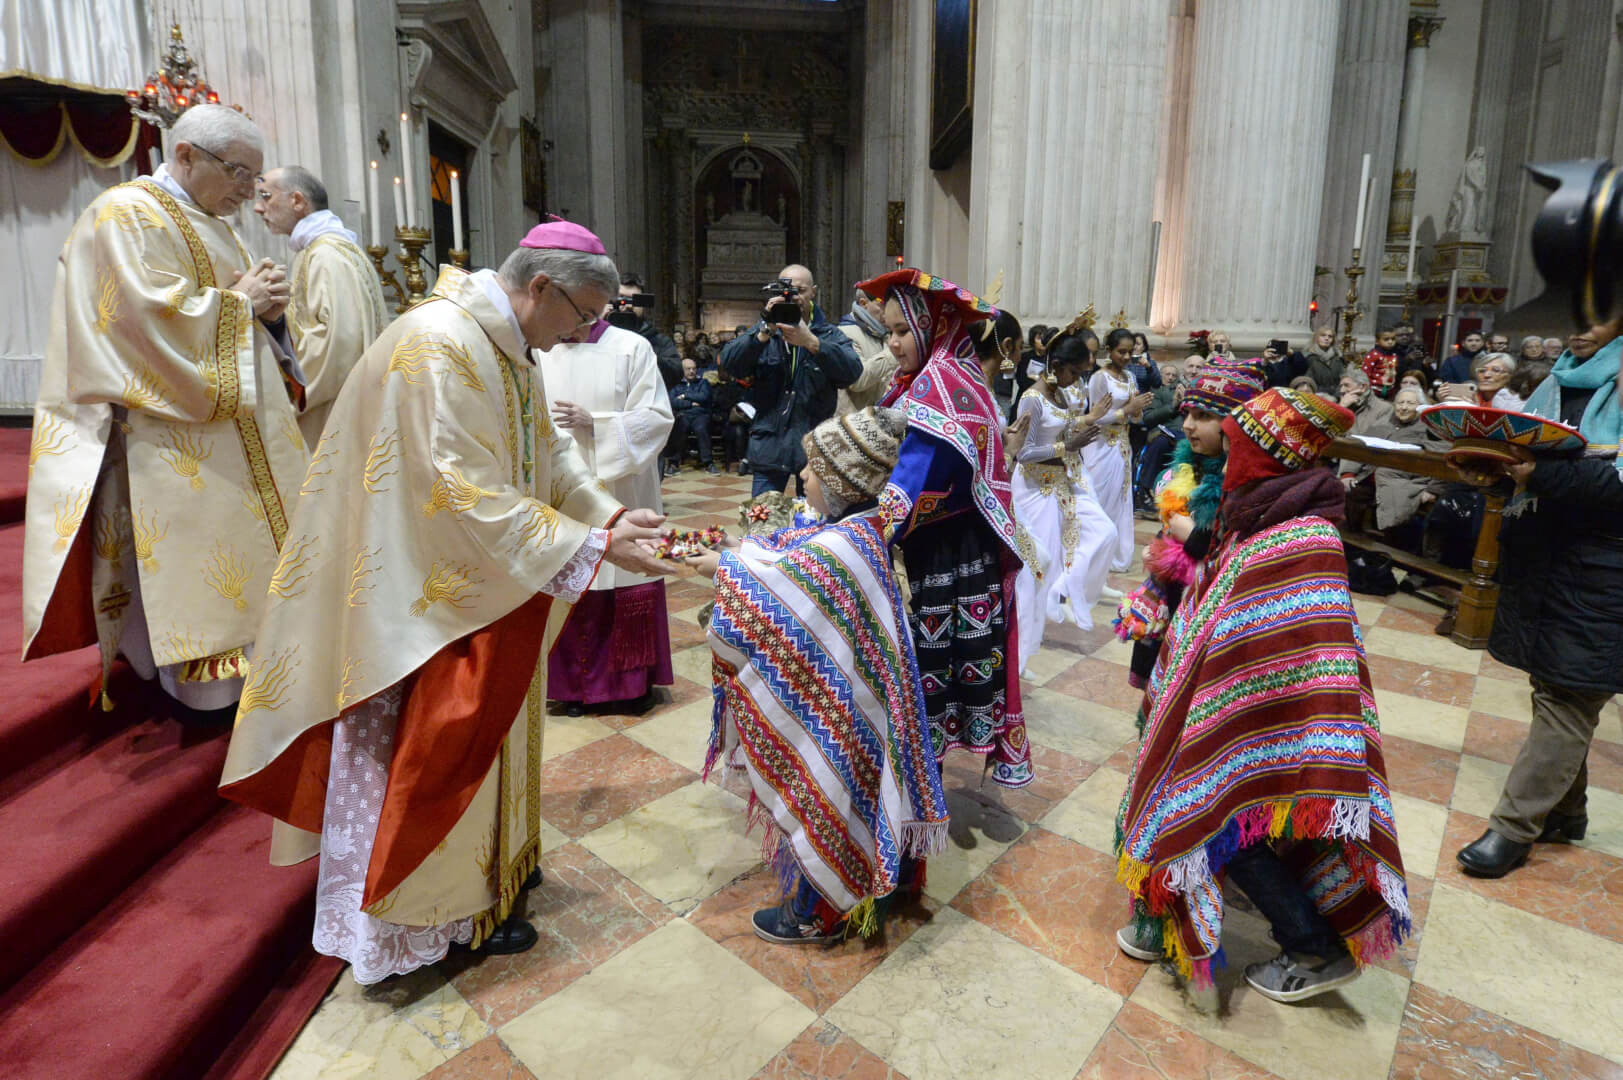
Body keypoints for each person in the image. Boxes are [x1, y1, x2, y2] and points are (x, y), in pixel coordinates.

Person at [219, 219, 673, 980]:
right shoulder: (440, 344)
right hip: (418, 598)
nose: (580, 333)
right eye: (582, 315)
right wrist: (588, 546)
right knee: (433, 745)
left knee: (488, 738)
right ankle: (418, 915)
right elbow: (461, 495)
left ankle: (489, 879)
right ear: (540, 287)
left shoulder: (506, 346)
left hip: (477, 580)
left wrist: (608, 515)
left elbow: (548, 454)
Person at [1115, 387, 1410, 1004]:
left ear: (1266, 456)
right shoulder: (1262, 515)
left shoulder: (1300, 535)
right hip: (1239, 712)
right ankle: (1290, 932)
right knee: (1231, 815)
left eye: (1238, 444)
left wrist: (1212, 710)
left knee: (1226, 816)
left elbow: (1279, 640)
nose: (1229, 455)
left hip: (1264, 721)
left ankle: (1312, 946)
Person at [21, 104, 308, 719]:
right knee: (205, 572)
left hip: (241, 431)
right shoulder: (124, 215)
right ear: (185, 154)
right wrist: (239, 304)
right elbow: (134, 325)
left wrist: (270, 315)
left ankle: (263, 673)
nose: (247, 192)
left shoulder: (215, 223)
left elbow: (236, 313)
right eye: (238, 173)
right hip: (175, 437)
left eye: (254, 179)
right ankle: (204, 696)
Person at [693, 407, 948, 945]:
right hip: (866, 701)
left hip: (848, 711)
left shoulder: (841, 547)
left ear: (839, 479)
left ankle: (816, 912)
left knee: (825, 768)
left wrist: (722, 569)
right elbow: (789, 558)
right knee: (849, 775)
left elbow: (784, 582)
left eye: (813, 466)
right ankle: (876, 879)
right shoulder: (860, 527)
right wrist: (736, 553)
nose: (803, 474)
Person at [1456, 317, 1623, 878]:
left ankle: (1513, 828)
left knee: (1569, 694)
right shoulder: (1558, 381)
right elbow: (1528, 462)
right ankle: (1566, 813)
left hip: (1607, 567)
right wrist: (1492, 471)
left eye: (1600, 315)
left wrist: (1538, 476)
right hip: (1546, 558)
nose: (1583, 326)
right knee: (1553, 682)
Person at [861, 267, 1032, 787]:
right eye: (888, 331)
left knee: (923, 678)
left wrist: (857, 534)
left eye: (901, 331)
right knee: (926, 675)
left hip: (942, 555)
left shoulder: (940, 386)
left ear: (931, 327)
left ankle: (917, 793)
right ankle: (916, 783)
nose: (893, 344)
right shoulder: (933, 376)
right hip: (943, 544)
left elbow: (912, 482)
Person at [540, 314, 676, 716]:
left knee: (621, 574)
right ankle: (569, 689)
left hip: (622, 487)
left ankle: (628, 687)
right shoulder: (538, 348)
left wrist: (597, 424)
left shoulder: (631, 347)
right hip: (557, 487)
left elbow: (657, 418)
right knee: (568, 574)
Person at [1116, 359, 1266, 690]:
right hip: (1173, 593)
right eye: (1187, 414)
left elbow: (1208, 544)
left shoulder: (1240, 480)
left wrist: (1178, 526)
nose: (1187, 425)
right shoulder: (1188, 462)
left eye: (1202, 416)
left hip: (1206, 605)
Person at [253, 164, 390, 446]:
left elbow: (337, 344)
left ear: (297, 200)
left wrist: (283, 383)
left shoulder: (326, 255)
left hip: (330, 412)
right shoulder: (323, 249)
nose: (257, 207)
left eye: (266, 196)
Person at [1009, 333, 1115, 666]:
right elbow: (1023, 452)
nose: (1077, 379)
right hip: (1033, 489)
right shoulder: (1032, 399)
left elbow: (1064, 431)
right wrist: (1067, 446)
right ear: (1055, 365)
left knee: (1094, 538)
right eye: (1074, 372)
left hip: (1059, 485)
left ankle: (1028, 648)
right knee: (1033, 573)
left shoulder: (1061, 395)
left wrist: (1080, 430)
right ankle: (1018, 656)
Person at [721, 263, 862, 497]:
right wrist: (765, 331)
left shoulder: (828, 334)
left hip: (813, 446)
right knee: (763, 515)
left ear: (813, 292)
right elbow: (730, 365)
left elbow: (852, 373)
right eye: (785, 291)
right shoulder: (765, 331)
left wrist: (812, 342)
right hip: (769, 445)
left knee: (811, 516)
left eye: (800, 290)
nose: (793, 297)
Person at [1086, 327, 1154, 573]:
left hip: (1122, 445)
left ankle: (1114, 555)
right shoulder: (1099, 378)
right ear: (1109, 351)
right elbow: (1094, 418)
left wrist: (1137, 410)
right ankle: (1092, 552)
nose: (1126, 357)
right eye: (1121, 352)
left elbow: (1136, 418)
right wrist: (1126, 409)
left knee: (1120, 499)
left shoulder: (1130, 377)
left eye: (1129, 352)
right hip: (1101, 445)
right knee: (1101, 497)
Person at [1133, 362, 1187, 513]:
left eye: (1174, 375)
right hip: (1162, 432)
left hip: (1184, 432)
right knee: (1160, 444)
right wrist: (1173, 405)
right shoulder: (1155, 391)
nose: (1170, 377)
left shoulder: (1185, 389)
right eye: (1167, 374)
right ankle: (1144, 490)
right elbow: (1149, 417)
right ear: (1160, 375)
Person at [612, 273, 682, 387]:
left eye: (634, 300)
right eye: (622, 298)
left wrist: (646, 353)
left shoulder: (659, 341)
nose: (628, 305)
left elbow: (675, 375)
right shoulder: (601, 334)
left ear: (643, 304)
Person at [835, 285, 897, 414]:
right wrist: (893, 352)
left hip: (881, 417)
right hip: (853, 420)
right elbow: (857, 380)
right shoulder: (844, 334)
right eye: (882, 303)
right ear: (863, 303)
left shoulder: (884, 333)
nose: (888, 310)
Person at [664, 357, 716, 476]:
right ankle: (673, 464)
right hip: (683, 414)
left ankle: (708, 463)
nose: (692, 371)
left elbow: (704, 397)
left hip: (700, 414)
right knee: (679, 428)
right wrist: (691, 403)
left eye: (694, 368)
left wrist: (684, 396)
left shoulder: (703, 382)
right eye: (688, 369)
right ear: (682, 370)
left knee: (702, 429)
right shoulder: (676, 384)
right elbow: (672, 402)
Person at [1339, 369, 1394, 435]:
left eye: (1346, 385)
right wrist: (1341, 408)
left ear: (1363, 387)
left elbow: (1371, 437)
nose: (1341, 390)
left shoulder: (1384, 409)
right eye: (1341, 386)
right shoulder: (1342, 405)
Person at [1302, 325, 1344, 394]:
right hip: (1316, 396)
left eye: (1330, 336)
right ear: (1316, 338)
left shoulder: (1338, 358)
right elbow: (1307, 382)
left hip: (1337, 395)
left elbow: (1343, 380)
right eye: (1323, 335)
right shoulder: (1309, 358)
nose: (1327, 338)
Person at [1361, 327, 1400, 399]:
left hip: (1390, 388)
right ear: (1377, 341)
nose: (1390, 342)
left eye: (1393, 339)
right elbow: (1365, 373)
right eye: (1386, 339)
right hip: (1374, 389)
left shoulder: (1394, 355)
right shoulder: (1374, 355)